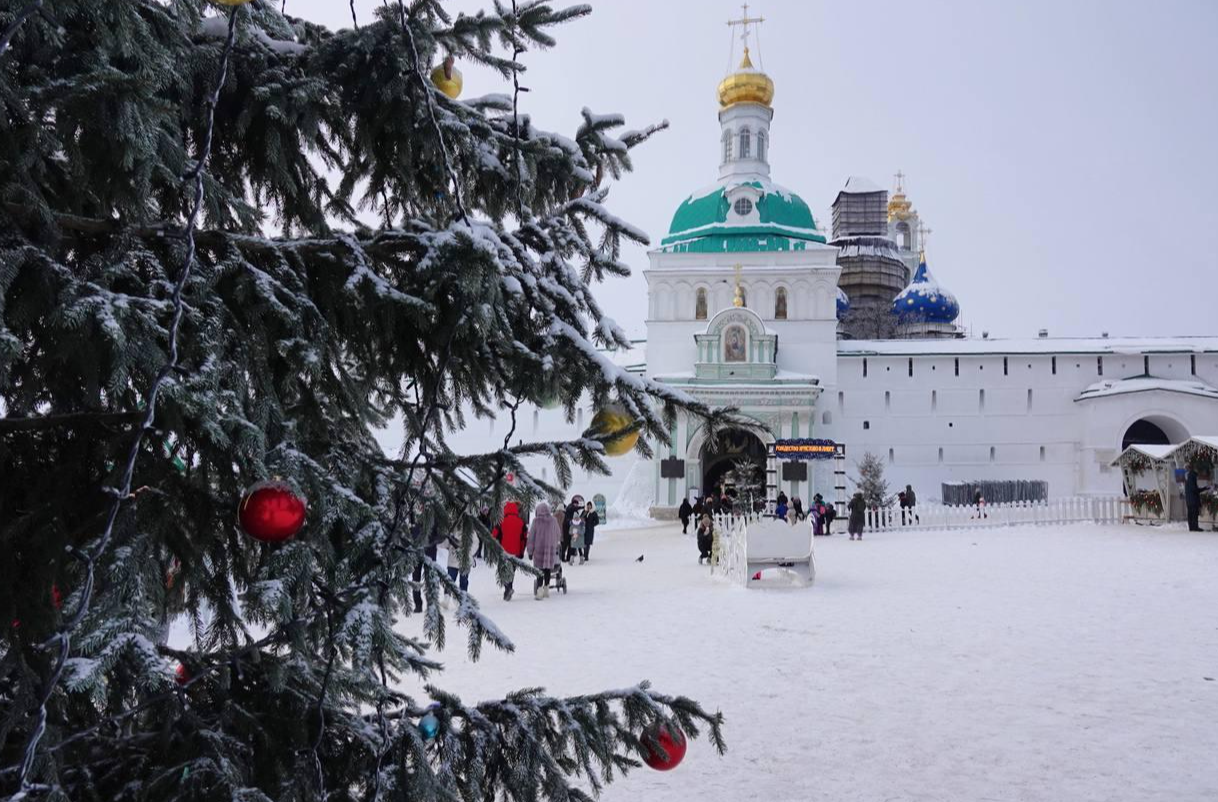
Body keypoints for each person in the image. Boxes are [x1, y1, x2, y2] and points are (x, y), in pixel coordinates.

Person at [492, 501, 527, 601]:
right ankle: (509, 587)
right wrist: (521, 551)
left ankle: (508, 588)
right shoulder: (521, 522)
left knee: (503, 570)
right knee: (512, 571)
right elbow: (524, 539)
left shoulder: (501, 522)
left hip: (503, 551)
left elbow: (494, 535)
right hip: (515, 552)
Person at [527, 502, 561, 599]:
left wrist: (530, 551)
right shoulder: (553, 520)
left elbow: (531, 537)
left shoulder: (536, 521)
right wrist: (553, 543)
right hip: (550, 550)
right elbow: (558, 534)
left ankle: (539, 592)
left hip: (539, 551)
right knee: (547, 570)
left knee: (539, 571)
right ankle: (546, 590)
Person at [1186, 467, 1202, 532]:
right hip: (1193, 500)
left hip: (1188, 500)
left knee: (1190, 514)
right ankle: (1195, 527)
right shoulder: (1193, 477)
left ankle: (1191, 527)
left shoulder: (1188, 477)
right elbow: (1194, 490)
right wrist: (1204, 489)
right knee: (1194, 514)